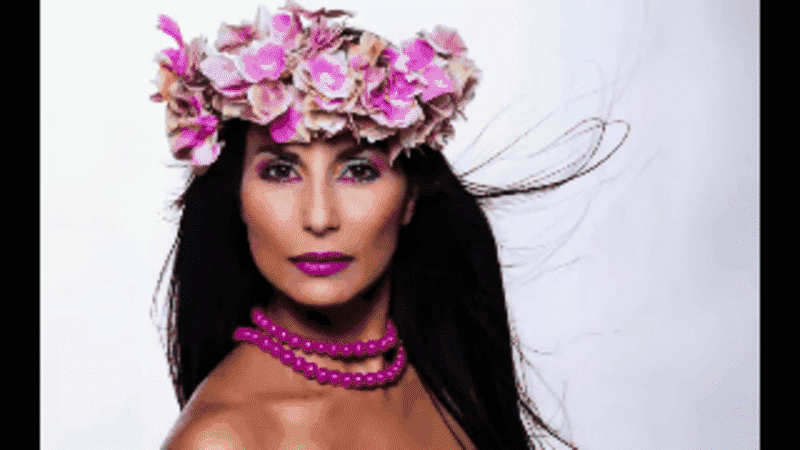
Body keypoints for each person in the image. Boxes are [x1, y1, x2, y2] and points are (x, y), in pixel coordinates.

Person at [150, 3, 623, 448]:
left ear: (411, 195)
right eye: (280, 171)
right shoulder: (222, 438)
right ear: (236, 197)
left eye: (358, 171)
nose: (320, 218)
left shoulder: (453, 374)